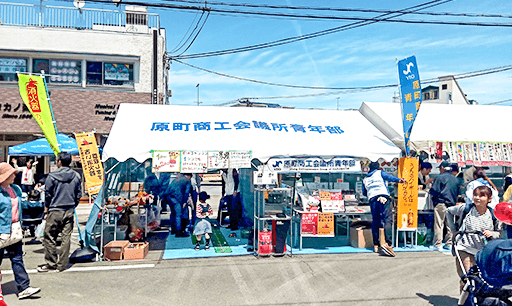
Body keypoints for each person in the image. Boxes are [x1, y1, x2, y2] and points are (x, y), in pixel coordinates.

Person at [446, 186, 502, 292]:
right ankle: (466, 301)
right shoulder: (466, 208)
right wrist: (453, 230)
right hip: (464, 247)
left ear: (489, 199)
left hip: (483, 252)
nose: (477, 198)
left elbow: (499, 233)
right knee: (468, 278)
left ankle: (475, 300)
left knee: (480, 280)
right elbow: (448, 211)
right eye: (475, 195)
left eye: (482, 196)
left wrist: (492, 234)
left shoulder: (493, 214)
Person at [0, 163, 41, 299]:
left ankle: (24, 287)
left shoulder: (16, 189)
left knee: (17, 258)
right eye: (12, 173)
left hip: (15, 229)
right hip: (1, 230)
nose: (15, 175)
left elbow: (20, 207)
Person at [37, 152, 81, 273]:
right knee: (66, 237)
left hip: (55, 209)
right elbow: (79, 194)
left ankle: (51, 263)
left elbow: (48, 194)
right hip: (69, 209)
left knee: (49, 236)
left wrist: (46, 209)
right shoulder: (76, 176)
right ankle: (62, 265)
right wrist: (73, 205)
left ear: (60, 162)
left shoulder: (52, 176)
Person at [362, 161, 406, 257]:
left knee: (376, 221)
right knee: (388, 219)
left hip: (373, 199)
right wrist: (400, 180)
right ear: (378, 167)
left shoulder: (365, 179)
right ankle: (388, 244)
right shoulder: (380, 173)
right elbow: (390, 178)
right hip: (384, 198)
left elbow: (364, 193)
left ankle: (376, 245)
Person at [429, 161, 461, 252]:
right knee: (450, 225)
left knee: (439, 224)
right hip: (452, 205)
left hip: (441, 203)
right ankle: (449, 243)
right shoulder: (456, 179)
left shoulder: (439, 178)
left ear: (443, 168)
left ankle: (437, 244)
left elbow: (434, 191)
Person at [164, 173, 192, 237]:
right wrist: (184, 202)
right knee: (178, 215)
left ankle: (173, 229)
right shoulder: (188, 181)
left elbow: (168, 189)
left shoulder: (176, 179)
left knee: (173, 213)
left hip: (169, 197)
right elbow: (187, 192)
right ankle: (178, 232)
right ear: (189, 176)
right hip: (177, 198)